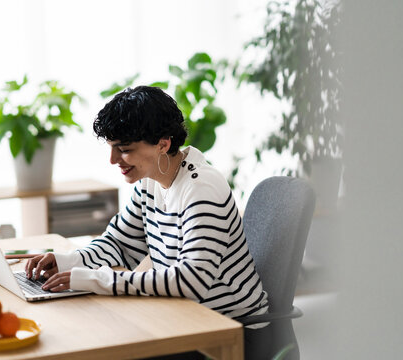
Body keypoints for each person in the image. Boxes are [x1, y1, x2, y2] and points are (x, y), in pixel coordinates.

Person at [26, 86, 270, 359]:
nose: (113, 160)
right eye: (111, 148)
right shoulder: (150, 183)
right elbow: (119, 244)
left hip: (228, 335)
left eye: (124, 149)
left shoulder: (201, 188)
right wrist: (67, 262)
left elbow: (191, 281)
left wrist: (96, 279)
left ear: (163, 144)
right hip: (184, 319)